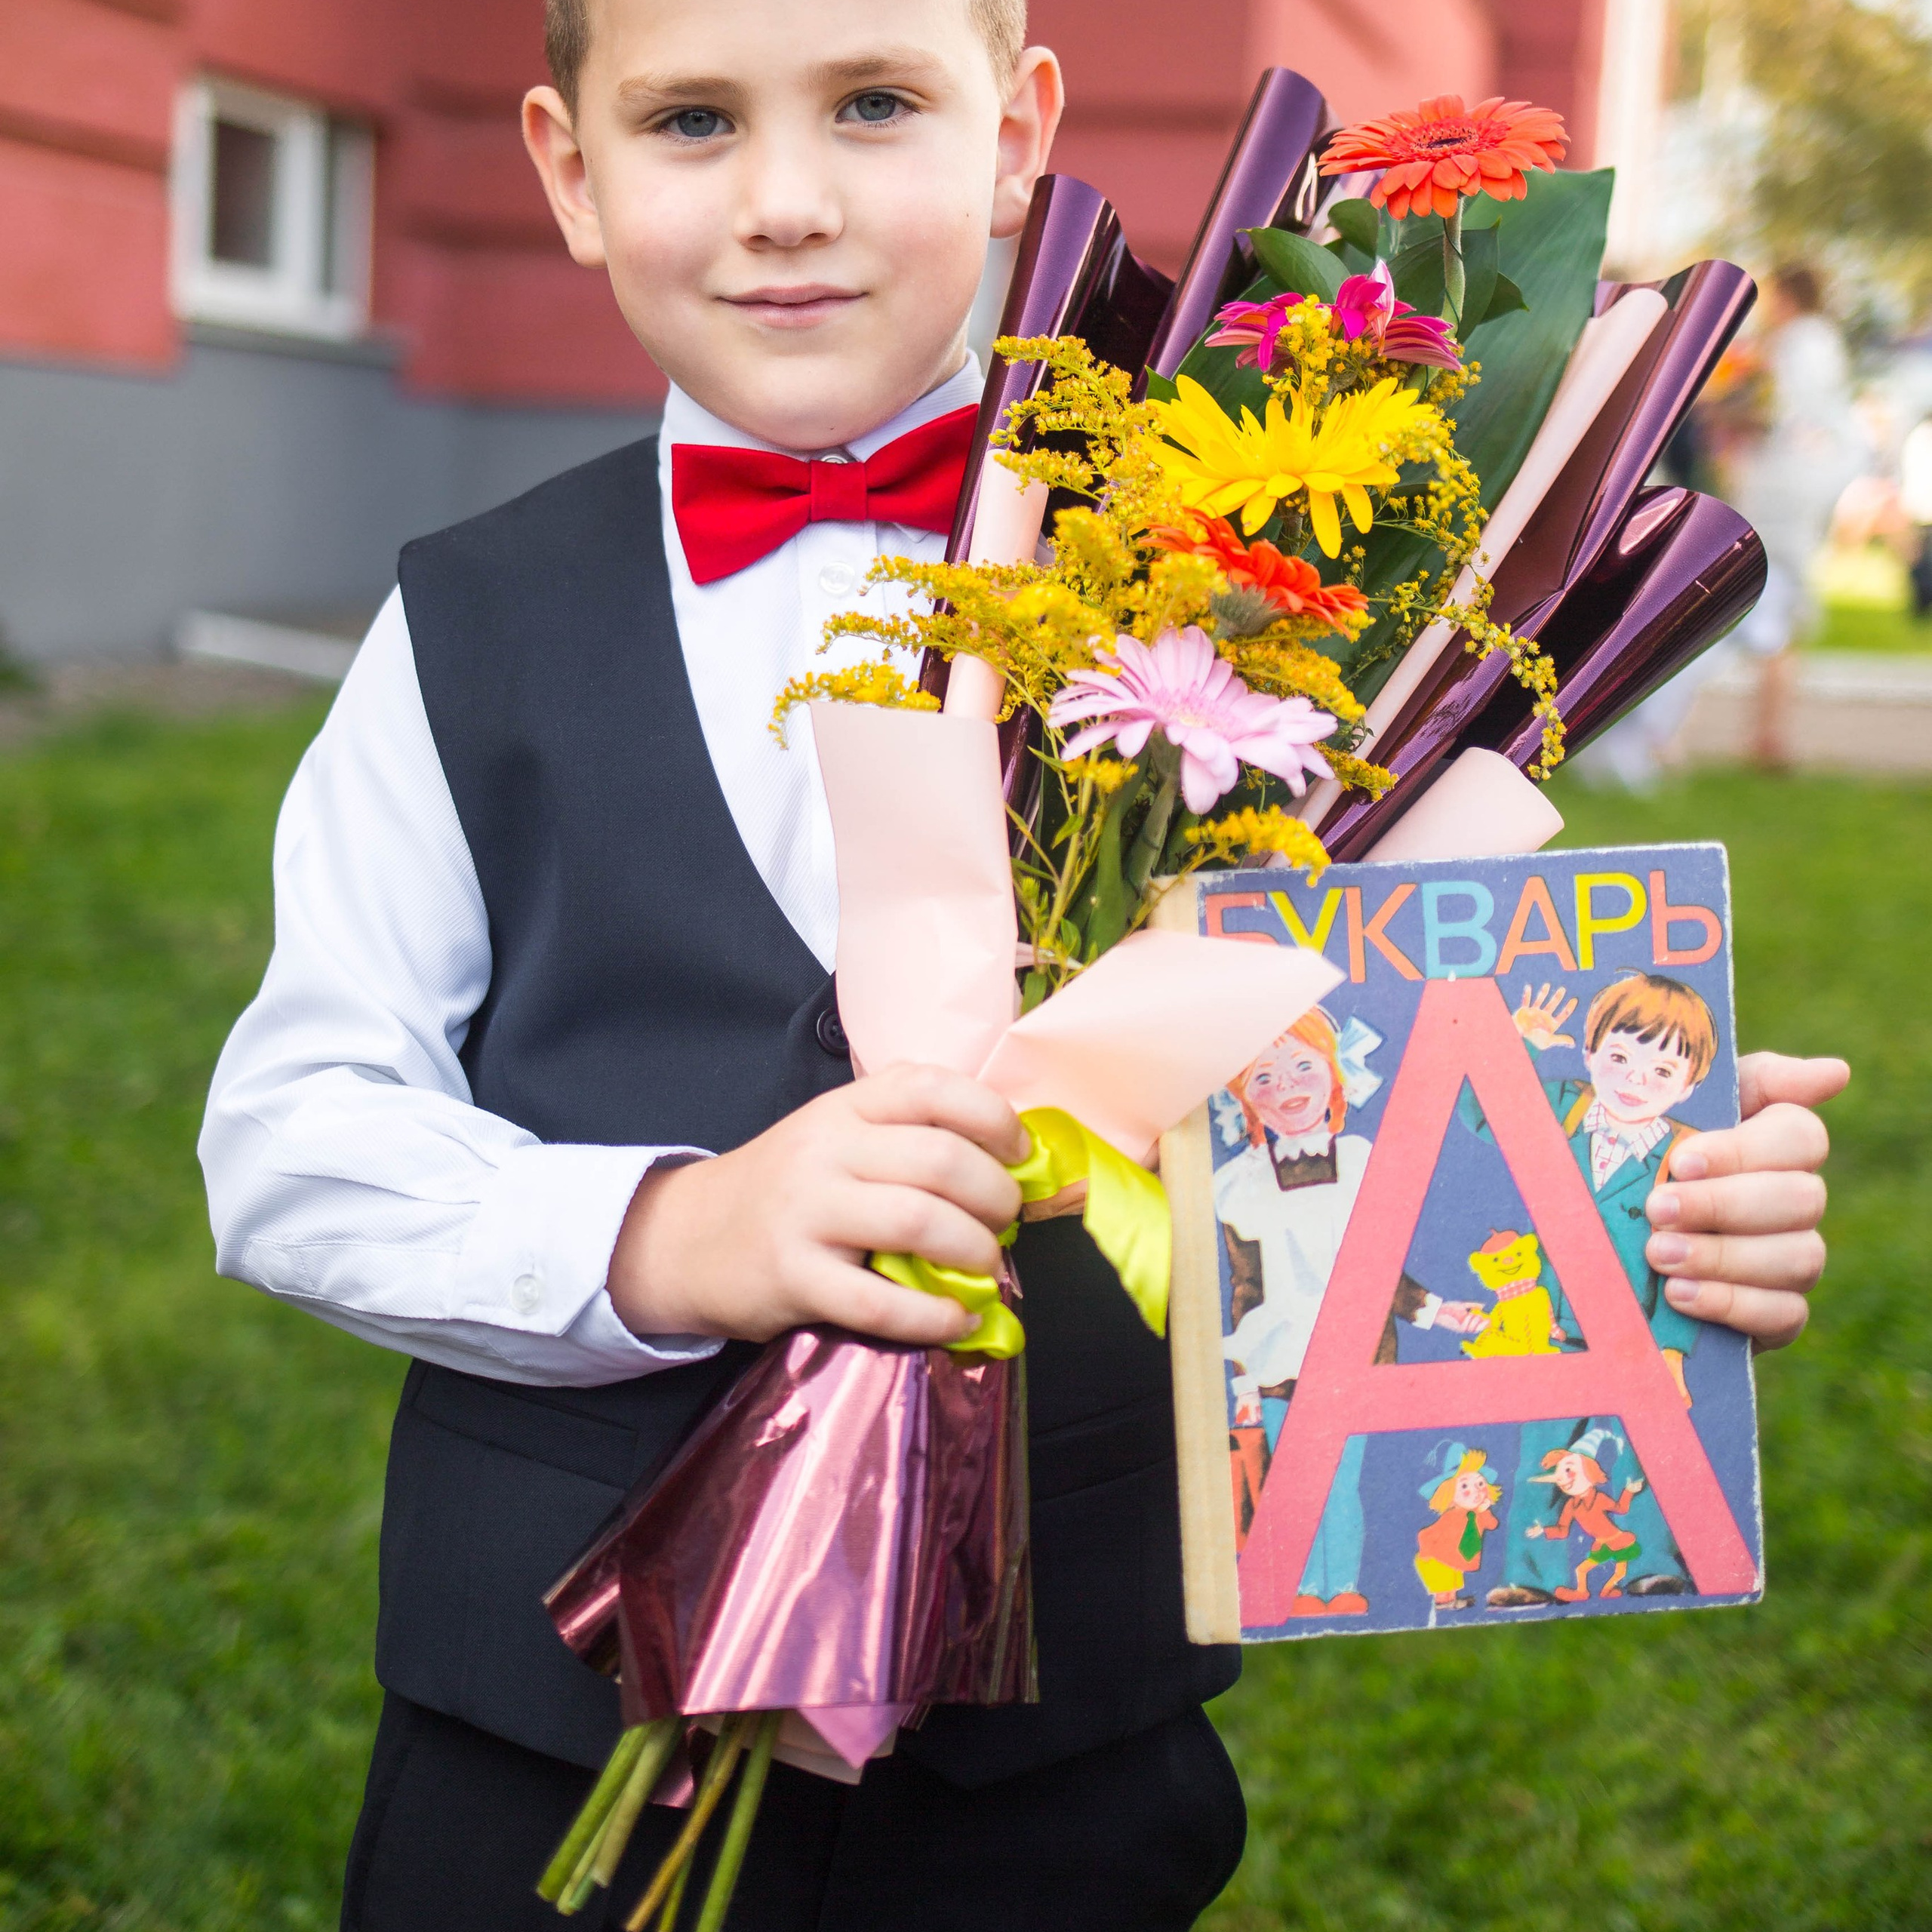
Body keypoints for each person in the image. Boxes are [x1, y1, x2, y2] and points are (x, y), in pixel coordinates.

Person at [195, 4, 1850, 1924]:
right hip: (552, 1726)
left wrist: (1622, 1156)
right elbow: (294, 1132)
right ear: (570, 171)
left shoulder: (1235, 581)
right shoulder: (464, 625)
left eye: (875, 105)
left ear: (1016, 136)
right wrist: (668, 1232)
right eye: (694, 122)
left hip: (1060, 1749)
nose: (786, 201)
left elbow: (1353, 1090)